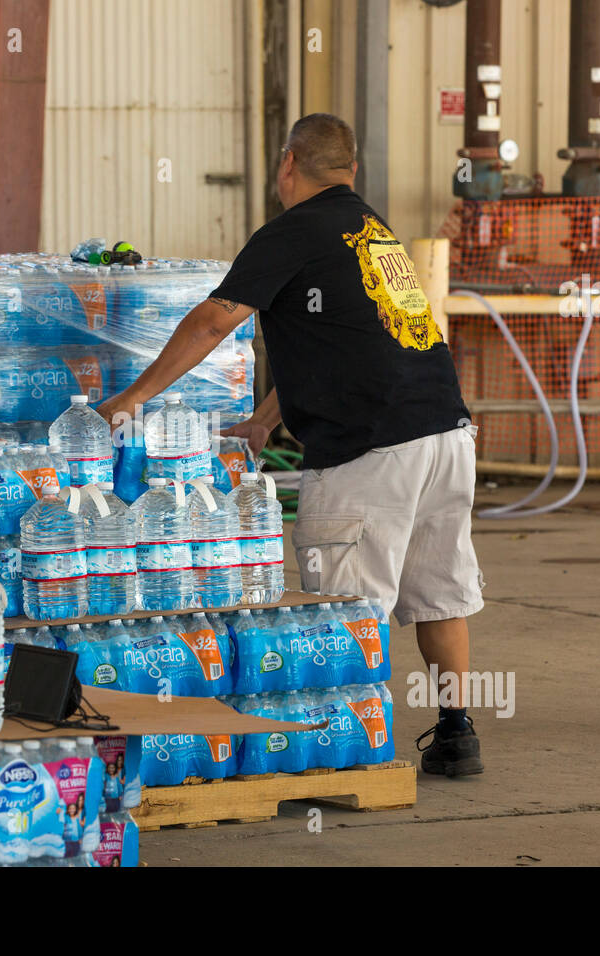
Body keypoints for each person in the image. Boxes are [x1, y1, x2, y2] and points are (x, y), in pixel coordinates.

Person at [98, 113, 484, 776]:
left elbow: (215, 319)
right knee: (439, 591)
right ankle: (457, 733)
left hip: (373, 449)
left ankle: (341, 745)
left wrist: (134, 396)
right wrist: (270, 415)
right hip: (446, 435)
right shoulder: (373, 234)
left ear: (287, 165)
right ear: (350, 170)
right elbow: (357, 340)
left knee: (344, 608)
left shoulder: (291, 232)